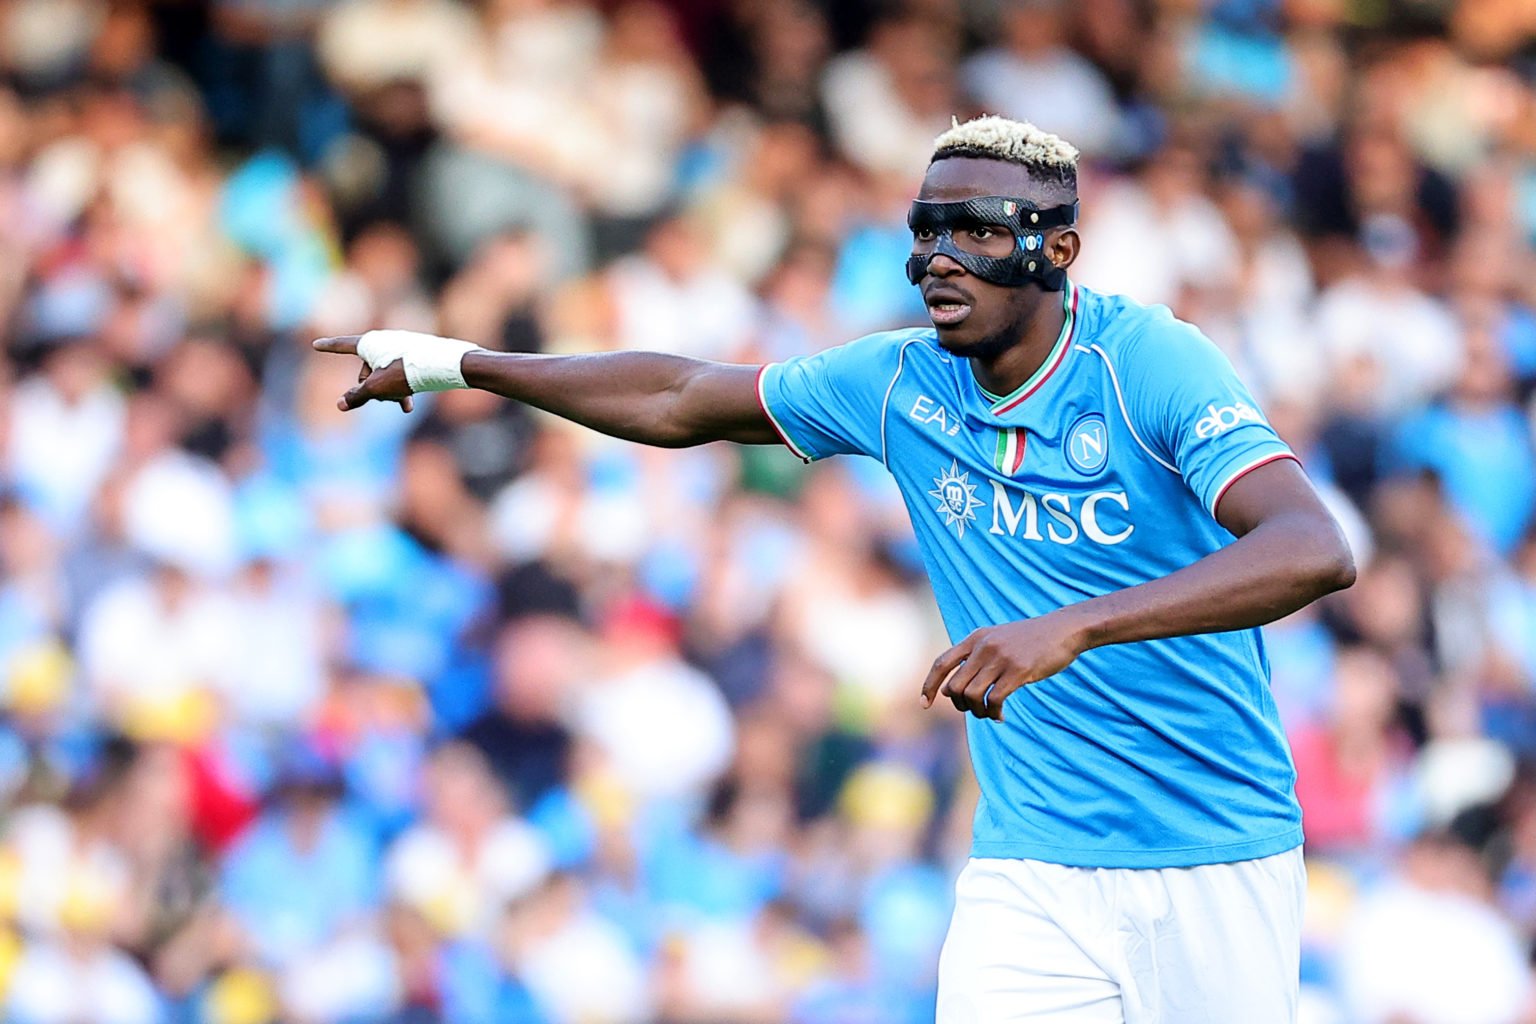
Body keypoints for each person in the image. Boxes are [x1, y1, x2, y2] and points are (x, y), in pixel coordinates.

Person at [314, 115, 1356, 1023]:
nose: (941, 256)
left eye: (979, 230)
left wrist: (1073, 626)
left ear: (1060, 248)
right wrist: (462, 362)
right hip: (1033, 863)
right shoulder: (898, 378)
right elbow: (681, 397)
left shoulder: (1150, 364)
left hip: (1215, 852)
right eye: (927, 231)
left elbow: (1313, 549)